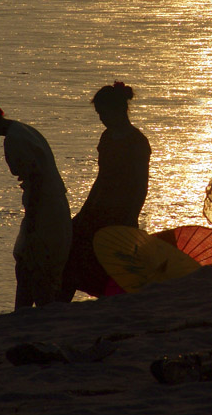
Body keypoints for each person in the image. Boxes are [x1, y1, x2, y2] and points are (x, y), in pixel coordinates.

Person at [0, 94, 71, 308]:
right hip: (52, 206)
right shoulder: (22, 130)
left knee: (36, 269)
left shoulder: (15, 141)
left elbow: (36, 181)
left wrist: (31, 219)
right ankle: (23, 314)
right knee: (28, 267)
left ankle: (28, 315)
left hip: (44, 210)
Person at [61, 82, 151, 299]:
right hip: (98, 207)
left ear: (117, 110)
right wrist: (85, 210)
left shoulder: (137, 142)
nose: (101, 118)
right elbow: (101, 178)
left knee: (111, 263)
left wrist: (131, 216)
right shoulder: (107, 137)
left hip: (121, 211)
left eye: (103, 113)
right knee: (73, 251)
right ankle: (60, 302)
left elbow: (141, 185)